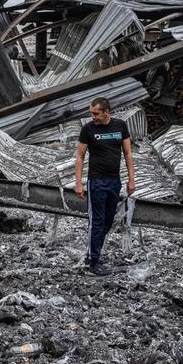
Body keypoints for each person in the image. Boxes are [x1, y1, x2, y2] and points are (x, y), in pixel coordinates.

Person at [74, 97, 135, 276]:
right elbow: (80, 157)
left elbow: (128, 154)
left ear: (106, 111)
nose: (92, 116)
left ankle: (92, 254)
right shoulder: (88, 129)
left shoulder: (120, 126)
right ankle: (93, 262)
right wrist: (79, 183)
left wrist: (131, 180)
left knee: (108, 221)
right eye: (91, 113)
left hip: (114, 181)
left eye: (95, 113)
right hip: (97, 182)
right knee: (97, 222)